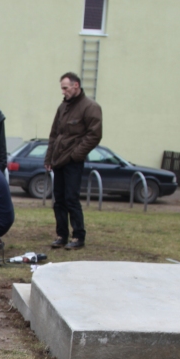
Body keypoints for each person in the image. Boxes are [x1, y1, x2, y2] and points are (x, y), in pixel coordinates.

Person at [45, 72, 102, 250]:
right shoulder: (63, 107)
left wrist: (76, 155)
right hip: (58, 161)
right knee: (59, 200)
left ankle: (78, 236)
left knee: (71, 199)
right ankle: (61, 235)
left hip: (72, 161)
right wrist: (49, 158)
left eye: (65, 88)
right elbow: (54, 134)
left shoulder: (90, 107)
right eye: (62, 88)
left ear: (76, 85)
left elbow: (94, 135)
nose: (63, 92)